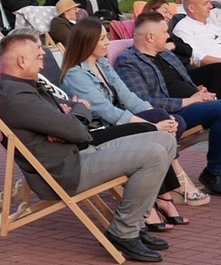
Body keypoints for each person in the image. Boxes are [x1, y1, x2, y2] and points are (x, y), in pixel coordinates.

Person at [0, 31, 175, 263]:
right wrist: (74, 117)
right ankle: (123, 232)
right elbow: (78, 128)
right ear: (21, 61)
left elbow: (75, 110)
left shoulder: (28, 87)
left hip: (77, 152)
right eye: (39, 56)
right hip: (66, 171)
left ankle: (136, 223)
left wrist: (72, 116)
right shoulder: (17, 97)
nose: (43, 60)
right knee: (154, 154)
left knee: (164, 139)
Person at [115, 13, 221, 196]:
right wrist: (190, 100)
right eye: (165, 32)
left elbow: (186, 80)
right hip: (176, 113)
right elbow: (143, 101)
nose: (169, 36)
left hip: (197, 103)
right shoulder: (128, 61)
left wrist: (200, 92)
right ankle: (214, 172)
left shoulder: (166, 54)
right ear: (150, 37)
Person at [56, 18, 193, 228]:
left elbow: (128, 97)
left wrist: (155, 116)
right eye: (102, 38)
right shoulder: (75, 75)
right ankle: (161, 199)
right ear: (87, 42)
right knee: (158, 129)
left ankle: (160, 197)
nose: (108, 42)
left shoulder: (102, 64)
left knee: (170, 120)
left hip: (116, 122)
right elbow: (105, 110)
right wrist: (152, 126)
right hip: (99, 129)